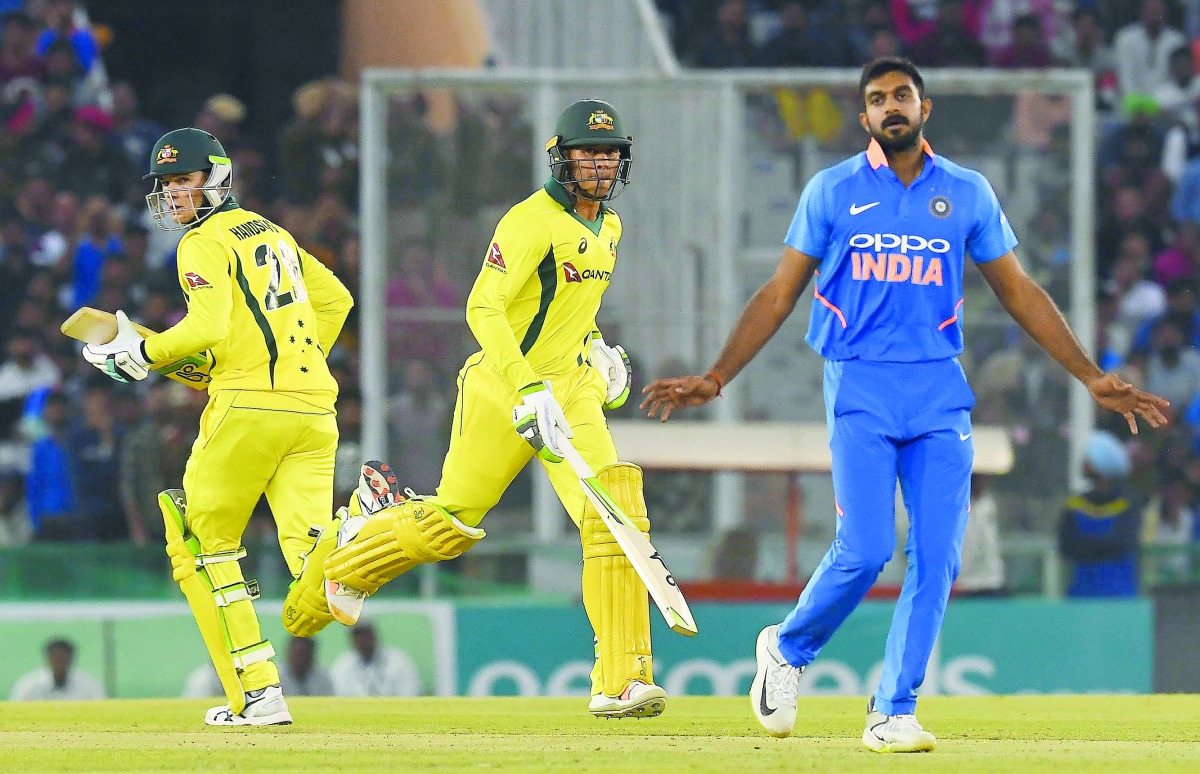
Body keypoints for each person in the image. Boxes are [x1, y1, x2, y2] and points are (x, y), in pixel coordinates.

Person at [640, 57, 1170, 752]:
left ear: (925, 108)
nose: (891, 106)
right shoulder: (832, 191)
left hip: (939, 392)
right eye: (877, 99)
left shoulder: (967, 192)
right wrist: (716, 376)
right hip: (859, 382)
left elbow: (1020, 292)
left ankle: (893, 709)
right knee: (865, 551)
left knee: (938, 558)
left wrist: (1088, 373)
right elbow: (778, 293)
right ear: (864, 118)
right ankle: (786, 648)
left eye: (902, 95)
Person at [295, 99, 665, 719]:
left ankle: (619, 680)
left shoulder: (611, 228)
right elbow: (483, 309)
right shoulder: (528, 222)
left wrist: (596, 351)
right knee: (452, 524)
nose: (600, 165)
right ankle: (357, 546)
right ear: (561, 158)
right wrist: (526, 386)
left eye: (609, 154)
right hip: (502, 386)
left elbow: (573, 313)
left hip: (570, 390)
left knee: (613, 515)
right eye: (587, 153)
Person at [78, 127, 353, 726]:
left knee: (202, 547)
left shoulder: (200, 243)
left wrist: (141, 356)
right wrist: (295, 356)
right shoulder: (271, 231)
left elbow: (204, 329)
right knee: (310, 552)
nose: (175, 194)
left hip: (248, 408)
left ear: (217, 178)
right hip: (314, 406)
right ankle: (367, 534)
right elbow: (334, 300)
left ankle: (259, 693)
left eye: (185, 180)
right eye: (168, 184)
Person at [1058, 430, 1143, 597]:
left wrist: (1086, 546)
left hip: (1118, 595)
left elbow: (1121, 543)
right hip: (1081, 594)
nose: (1083, 463)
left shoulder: (1127, 503)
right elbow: (1066, 545)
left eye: (1088, 458)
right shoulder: (1075, 504)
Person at [328, 622, 420, 697]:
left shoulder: (399, 661)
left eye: (366, 634)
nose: (363, 640)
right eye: (358, 635)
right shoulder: (342, 666)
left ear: (374, 634)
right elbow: (339, 697)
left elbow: (410, 693)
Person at [9, 638, 105, 701]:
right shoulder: (30, 684)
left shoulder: (89, 684)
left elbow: (101, 706)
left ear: (71, 659)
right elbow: (15, 707)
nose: (59, 662)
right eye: (55, 657)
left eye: (63, 658)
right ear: (47, 658)